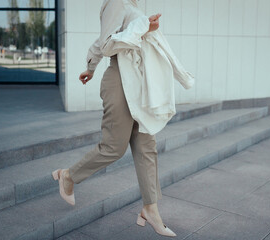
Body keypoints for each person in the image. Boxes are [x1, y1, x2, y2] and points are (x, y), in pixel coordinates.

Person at [52, 0, 177, 237]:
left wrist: (90, 66)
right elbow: (108, 44)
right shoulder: (116, 2)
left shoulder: (130, 4)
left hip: (139, 82)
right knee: (113, 147)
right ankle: (68, 175)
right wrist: (143, 27)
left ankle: (151, 210)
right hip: (120, 80)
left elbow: (105, 38)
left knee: (147, 148)